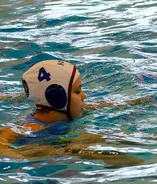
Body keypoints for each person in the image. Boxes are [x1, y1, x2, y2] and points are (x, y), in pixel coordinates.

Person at [0, 60, 142, 166]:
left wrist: (136, 102)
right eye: (77, 91)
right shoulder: (33, 127)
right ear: (57, 97)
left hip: (62, 142)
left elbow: (100, 106)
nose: (84, 96)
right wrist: (38, 154)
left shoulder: (69, 112)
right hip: (49, 153)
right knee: (83, 144)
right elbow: (3, 142)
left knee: (102, 138)